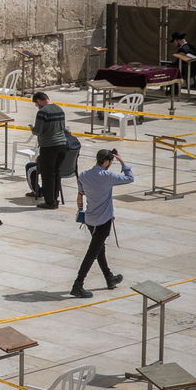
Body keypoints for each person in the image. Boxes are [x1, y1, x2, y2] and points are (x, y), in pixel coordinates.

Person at [72, 148, 135, 298]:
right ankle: (77, 284)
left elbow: (81, 191)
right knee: (92, 253)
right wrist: (122, 161)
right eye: (111, 162)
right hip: (103, 220)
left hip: (90, 219)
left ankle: (109, 277)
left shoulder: (84, 175)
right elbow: (130, 178)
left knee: (100, 249)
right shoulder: (108, 176)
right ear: (106, 161)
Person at [30, 92, 68, 210]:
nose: (37, 106)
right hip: (62, 145)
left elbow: (38, 131)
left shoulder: (43, 112)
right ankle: (55, 198)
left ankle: (49, 202)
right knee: (56, 173)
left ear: (40, 100)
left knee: (47, 175)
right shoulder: (60, 109)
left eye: (37, 104)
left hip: (49, 146)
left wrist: (32, 128)